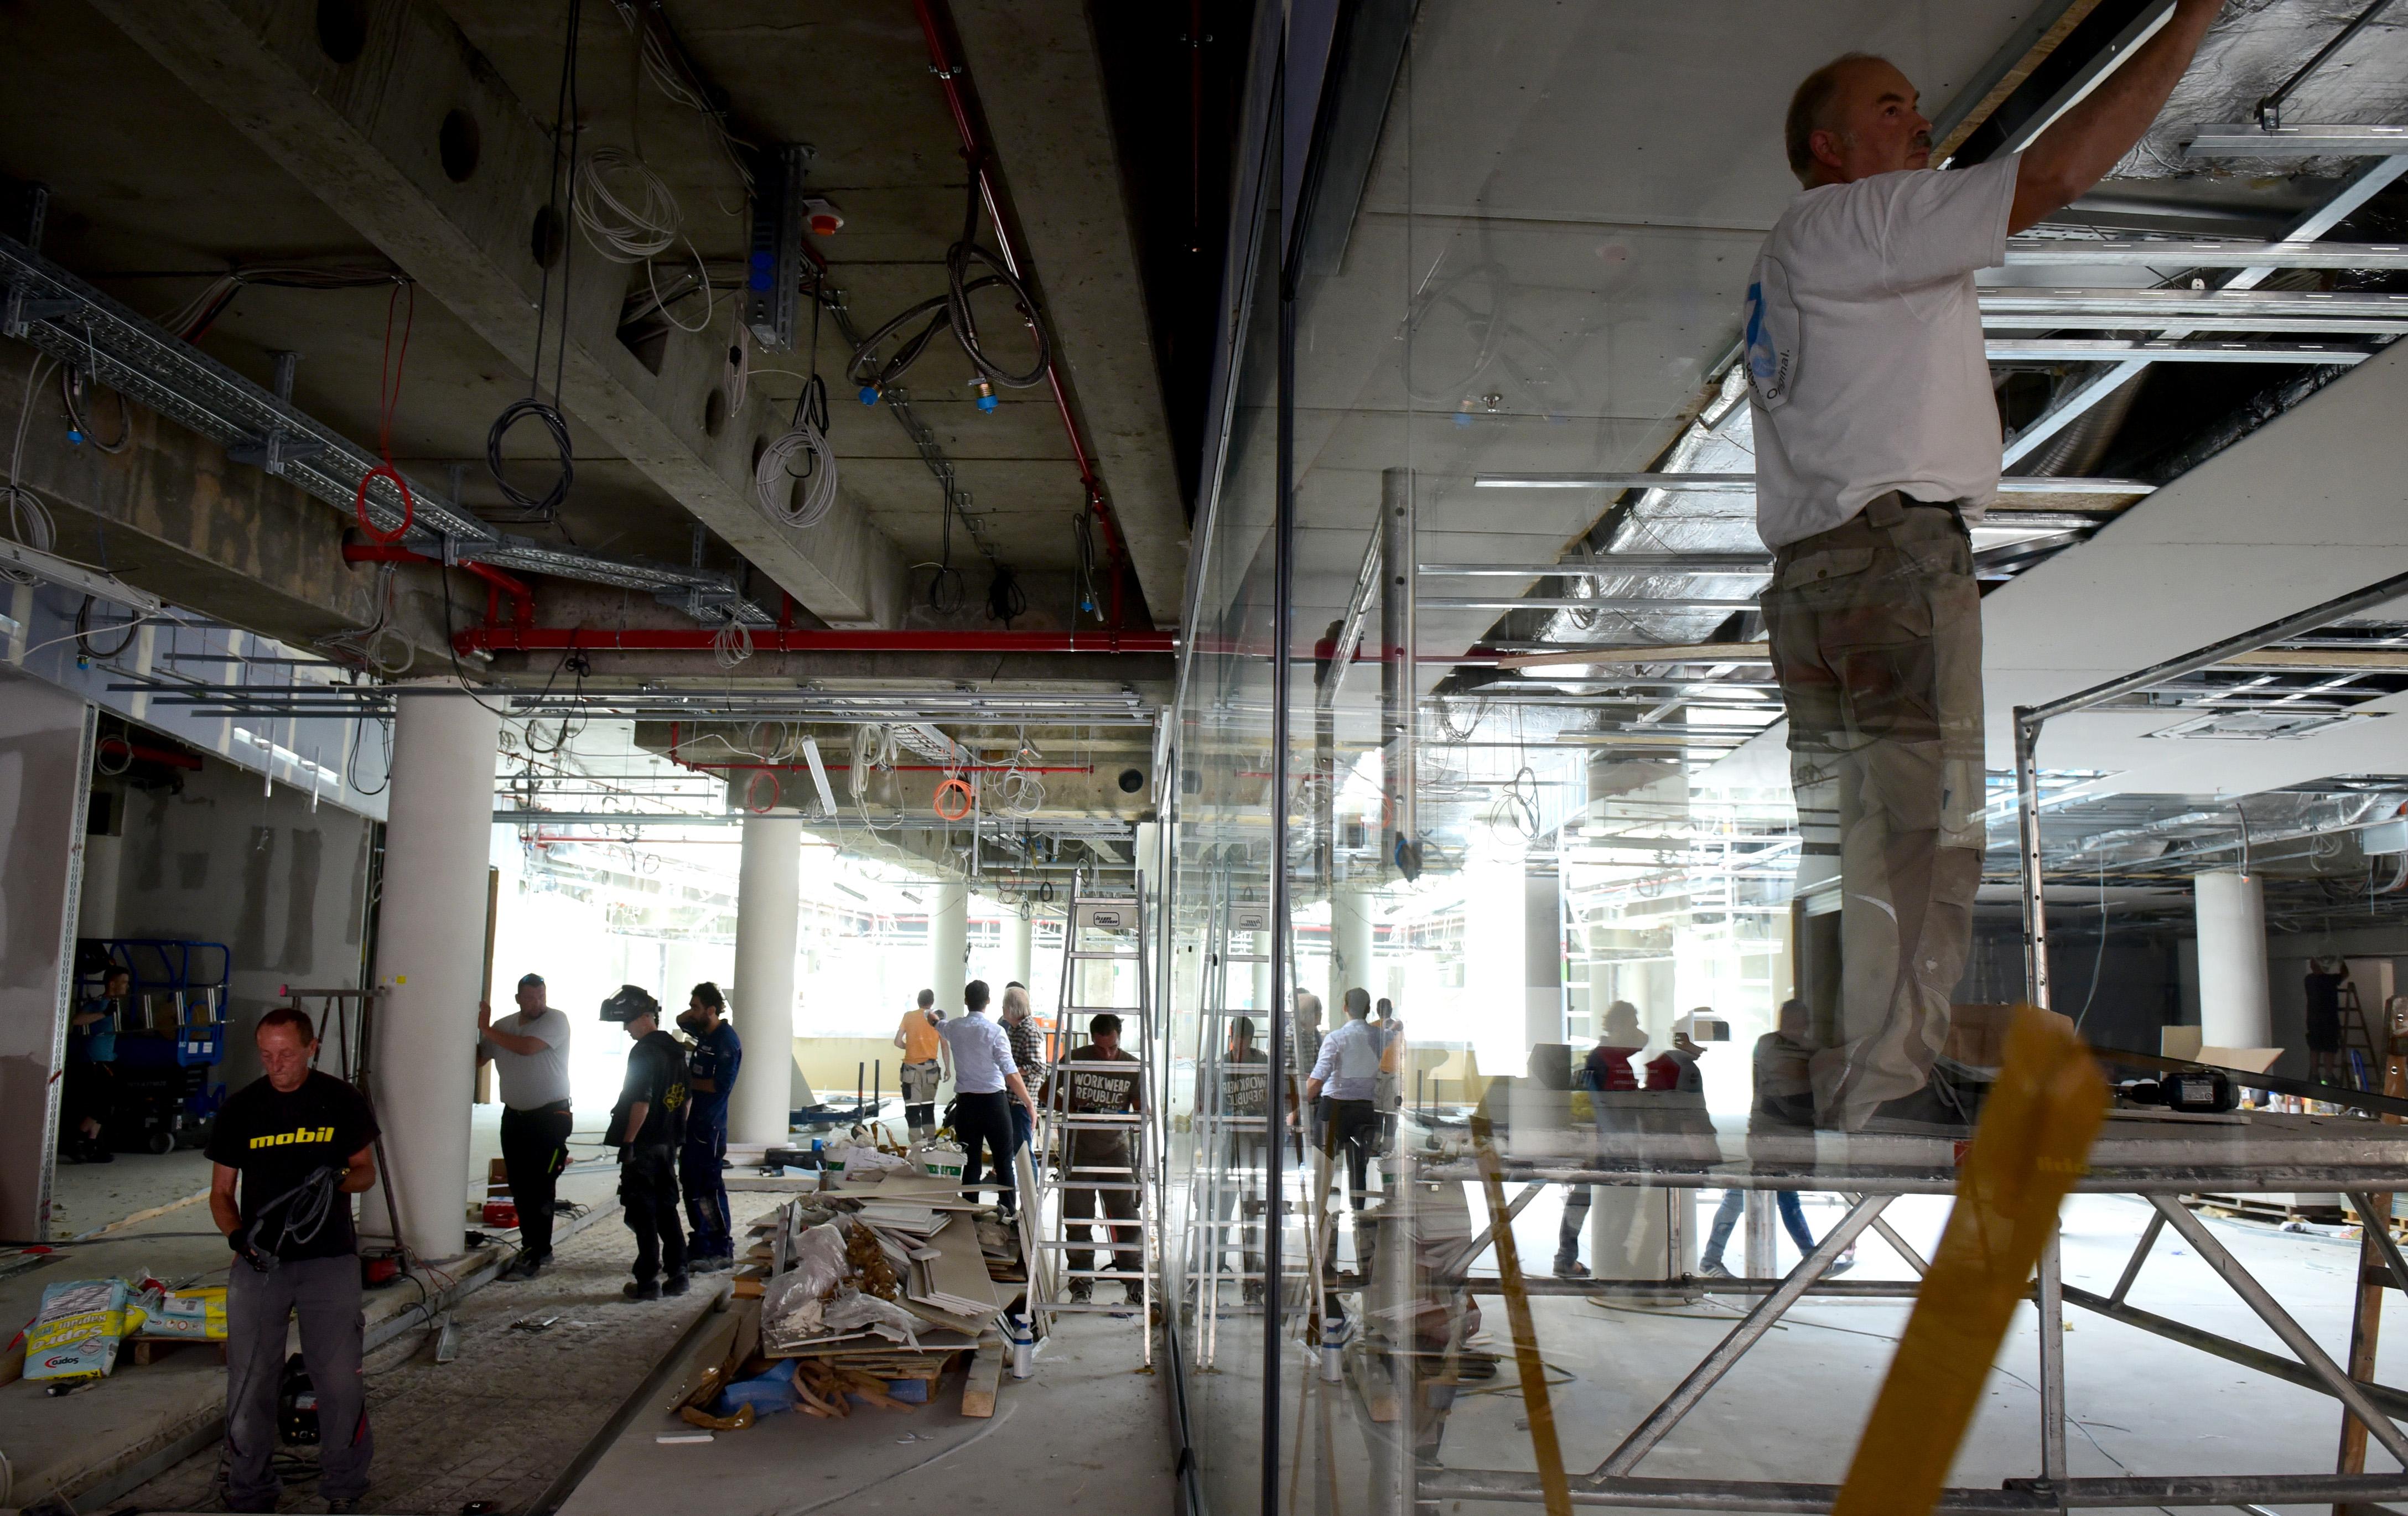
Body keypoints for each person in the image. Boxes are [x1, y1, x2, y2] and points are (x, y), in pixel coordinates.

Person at [1750, 7, 2223, 1131]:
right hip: (1891, 561)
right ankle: (1886, 1083)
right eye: (1889, 107)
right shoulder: (1860, 219)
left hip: (1817, 580)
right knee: (1924, 841)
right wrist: (2192, 17)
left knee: (1847, 847)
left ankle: (1810, 1067)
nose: (1920, 122)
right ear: (1831, 148)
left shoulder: (1798, 257)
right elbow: (2053, 172)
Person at [206, 1006, 380, 1513]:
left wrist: (336, 1180)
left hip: (328, 1259)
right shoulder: (242, 1108)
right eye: (266, 1056)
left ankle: (344, 1487)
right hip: (261, 1260)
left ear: (311, 1048)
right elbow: (221, 1192)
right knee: (251, 1378)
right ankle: (250, 1488)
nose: (276, 1065)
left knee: (338, 1377)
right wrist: (237, 1236)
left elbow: (365, 1171)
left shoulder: (341, 1100)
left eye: (286, 1055)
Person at [1700, 1000, 1852, 1279]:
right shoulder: (1772, 1045)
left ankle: (1812, 1260)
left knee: (1784, 1195)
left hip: (1786, 1134)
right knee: (1744, 1194)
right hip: (1771, 1134)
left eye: (1801, 1019)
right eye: (1793, 1019)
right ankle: (1712, 1259)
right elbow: (1784, 1087)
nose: (1798, 1024)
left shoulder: (1804, 1048)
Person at [476, 972, 574, 1280]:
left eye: (542, 996)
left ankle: (536, 1252)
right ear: (518, 998)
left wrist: (485, 1029)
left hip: (551, 1116)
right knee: (519, 1185)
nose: (538, 1003)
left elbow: (527, 1048)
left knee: (540, 1186)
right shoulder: (503, 1027)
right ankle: (535, 1247)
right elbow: (479, 1058)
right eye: (531, 997)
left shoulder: (556, 1020)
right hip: (515, 1116)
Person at [1042, 1013, 1144, 1304]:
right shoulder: (1075, 1059)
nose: (1107, 1054)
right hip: (1078, 1151)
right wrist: (1071, 1107)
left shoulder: (1130, 1066)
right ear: (1092, 1040)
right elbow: (1046, 1092)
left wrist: (1133, 1111)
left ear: (1119, 1038)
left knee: (1127, 1219)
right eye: (1101, 1049)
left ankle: (1134, 1283)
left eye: (1112, 1047)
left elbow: (1142, 1109)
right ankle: (1081, 1285)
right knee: (1077, 1221)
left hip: (1116, 1151)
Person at [603, 985, 689, 1300]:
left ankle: (647, 1281)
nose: (625, 1029)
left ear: (644, 1017)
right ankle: (679, 1273)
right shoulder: (676, 1050)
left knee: (644, 1213)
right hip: (668, 1143)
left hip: (645, 1145)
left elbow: (642, 1100)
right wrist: (677, 1135)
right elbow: (687, 1101)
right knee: (667, 1209)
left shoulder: (643, 1052)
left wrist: (629, 1142)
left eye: (627, 1022)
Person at [935, 979, 1039, 1217]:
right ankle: (1008, 1210)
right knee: (1003, 1160)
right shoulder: (995, 1031)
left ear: (965, 1000)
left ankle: (969, 1211)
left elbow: (938, 1025)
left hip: (966, 1105)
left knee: (970, 1160)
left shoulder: (954, 1028)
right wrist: (1029, 1103)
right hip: (994, 1103)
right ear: (989, 1002)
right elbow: (1011, 1072)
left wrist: (932, 1017)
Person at [1305, 988, 1388, 1267]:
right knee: (1358, 1179)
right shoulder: (1379, 1037)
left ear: (1345, 1007)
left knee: (1322, 1180)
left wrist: (1295, 1104)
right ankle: (1364, 1250)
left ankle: (1318, 1252)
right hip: (1365, 1112)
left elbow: (1318, 1080)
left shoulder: (1336, 1038)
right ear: (1369, 1010)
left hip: (1334, 1112)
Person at [677, 983, 741, 1273]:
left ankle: (720, 1247)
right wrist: (695, 1012)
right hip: (694, 1123)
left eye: (696, 1007)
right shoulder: (705, 1032)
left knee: (709, 1188)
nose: (691, 1012)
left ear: (712, 1010)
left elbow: (721, 1085)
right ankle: (700, 1243)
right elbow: (681, 1020)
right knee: (690, 1185)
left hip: (710, 1127)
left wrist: (684, 1082)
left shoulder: (726, 1041)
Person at [61, 967, 128, 1164]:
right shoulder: (99, 1004)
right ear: (112, 983)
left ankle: (91, 1143)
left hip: (109, 1058)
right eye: (124, 982)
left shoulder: (115, 1005)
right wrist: (104, 1014)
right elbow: (77, 1020)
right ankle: (78, 1137)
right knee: (103, 1103)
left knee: (109, 1104)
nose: (127, 986)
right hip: (94, 1060)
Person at [894, 988, 949, 1140]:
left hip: (911, 1070)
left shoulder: (908, 1017)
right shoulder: (937, 1019)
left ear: (918, 1001)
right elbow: (945, 1046)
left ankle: (916, 1145)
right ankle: (930, 1142)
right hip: (931, 1070)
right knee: (928, 1106)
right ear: (932, 1003)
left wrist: (910, 1047)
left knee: (912, 1108)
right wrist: (948, 1069)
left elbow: (898, 1042)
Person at [1000, 983, 1046, 1162]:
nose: (1002, 1009)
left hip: (1021, 1101)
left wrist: (1014, 1071)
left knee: (1024, 1151)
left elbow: (1039, 1067)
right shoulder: (1013, 1029)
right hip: (1011, 1098)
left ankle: (1030, 1189)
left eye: (1004, 1005)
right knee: (1012, 1146)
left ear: (1012, 1008)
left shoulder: (1031, 1032)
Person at [1373, 996, 1406, 1152]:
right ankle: (1387, 1147)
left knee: (1380, 1112)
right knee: (1389, 1113)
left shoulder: (1373, 1028)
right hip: (1391, 1075)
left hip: (1380, 1075)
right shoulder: (1398, 1029)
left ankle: (1375, 1145)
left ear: (1376, 1011)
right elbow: (1403, 1053)